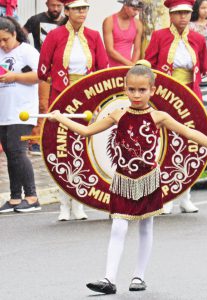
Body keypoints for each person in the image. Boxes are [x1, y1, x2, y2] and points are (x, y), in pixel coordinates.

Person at [47, 62, 207, 294]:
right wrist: (59, 118)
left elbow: (190, 133)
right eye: (132, 90)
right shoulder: (117, 114)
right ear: (124, 88)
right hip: (123, 181)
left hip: (149, 180)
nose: (136, 95)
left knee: (146, 226)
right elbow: (87, 131)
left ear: (152, 90)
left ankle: (139, 276)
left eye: (142, 90)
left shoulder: (159, 117)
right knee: (118, 227)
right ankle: (108, 279)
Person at [38, 0, 108, 221]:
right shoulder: (54, 36)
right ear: (66, 11)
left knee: (82, 150)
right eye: (77, 8)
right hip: (61, 98)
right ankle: (63, 204)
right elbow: (42, 70)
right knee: (62, 149)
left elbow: (102, 70)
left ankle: (79, 202)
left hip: (87, 99)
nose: (82, 12)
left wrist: (96, 98)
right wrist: (59, 81)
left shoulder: (95, 36)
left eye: (85, 8)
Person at [145, 0, 207, 214]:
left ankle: (185, 196)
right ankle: (165, 196)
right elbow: (148, 65)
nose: (183, 17)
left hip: (191, 99)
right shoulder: (159, 36)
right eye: (178, 13)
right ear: (170, 15)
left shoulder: (198, 39)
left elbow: (203, 68)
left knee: (190, 145)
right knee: (165, 145)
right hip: (166, 99)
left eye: (186, 13)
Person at [0, 17, 41, 213]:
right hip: (3, 111)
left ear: (14, 33)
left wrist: (14, 76)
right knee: (10, 154)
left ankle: (32, 197)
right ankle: (15, 197)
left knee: (18, 151)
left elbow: (40, 75)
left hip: (22, 111)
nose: (2, 44)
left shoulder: (26, 51)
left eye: (5, 39)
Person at [23, 0, 64, 155]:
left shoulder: (67, 21)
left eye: (58, 6)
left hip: (61, 69)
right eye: (52, 5)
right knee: (42, 104)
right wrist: (28, 56)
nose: (55, 9)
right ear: (46, 4)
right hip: (42, 68)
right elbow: (21, 35)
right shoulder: (35, 19)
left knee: (61, 104)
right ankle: (35, 141)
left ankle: (57, 139)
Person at [102, 0, 143, 67]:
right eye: (134, 9)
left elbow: (137, 49)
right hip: (111, 66)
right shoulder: (109, 21)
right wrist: (129, 64)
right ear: (125, 6)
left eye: (138, 10)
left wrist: (133, 66)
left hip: (129, 66)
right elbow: (110, 50)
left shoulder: (138, 24)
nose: (136, 13)